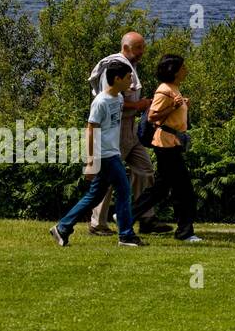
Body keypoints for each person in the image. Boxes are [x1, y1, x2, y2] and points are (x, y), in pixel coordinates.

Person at [50, 62, 147, 247]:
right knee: (125, 191)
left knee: (94, 196)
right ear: (117, 79)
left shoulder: (118, 98)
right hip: (105, 155)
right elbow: (91, 130)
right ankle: (126, 235)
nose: (132, 83)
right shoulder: (100, 102)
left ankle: (62, 227)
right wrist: (90, 162)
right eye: (128, 78)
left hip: (113, 152)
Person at [87, 32, 168, 235]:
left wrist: (140, 107)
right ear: (126, 48)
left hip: (131, 129)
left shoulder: (130, 66)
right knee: (107, 177)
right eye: (138, 48)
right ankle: (98, 223)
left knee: (145, 169)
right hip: (116, 130)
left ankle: (146, 218)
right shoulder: (115, 67)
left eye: (142, 47)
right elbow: (111, 101)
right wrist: (140, 105)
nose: (142, 52)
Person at [133, 54, 201, 243]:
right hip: (166, 145)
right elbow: (152, 116)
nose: (185, 70)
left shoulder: (172, 88)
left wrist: (181, 106)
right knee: (184, 190)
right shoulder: (164, 90)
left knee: (161, 189)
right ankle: (185, 232)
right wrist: (173, 107)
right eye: (183, 67)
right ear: (174, 71)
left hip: (171, 144)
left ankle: (127, 215)